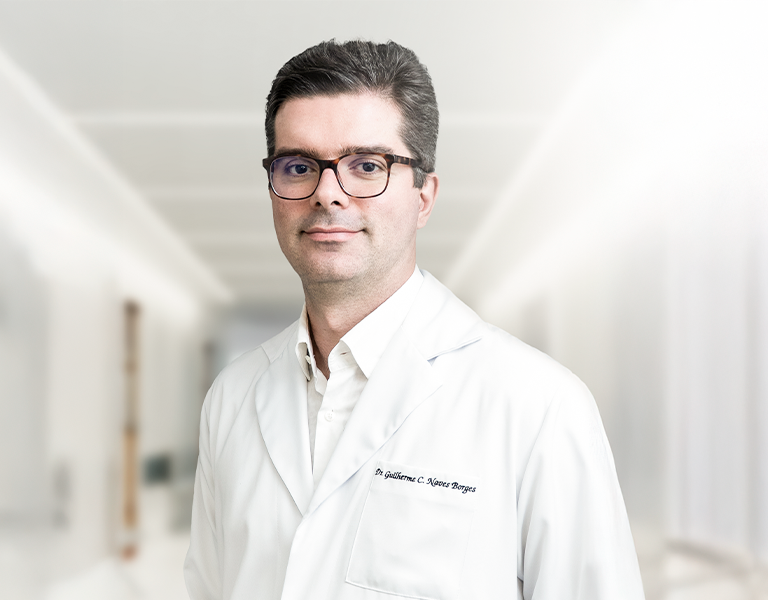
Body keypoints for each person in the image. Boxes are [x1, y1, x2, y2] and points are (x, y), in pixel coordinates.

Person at [184, 40, 644, 600]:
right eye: (299, 167)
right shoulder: (232, 398)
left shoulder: (539, 405)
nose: (327, 194)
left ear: (424, 196)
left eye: (366, 166)